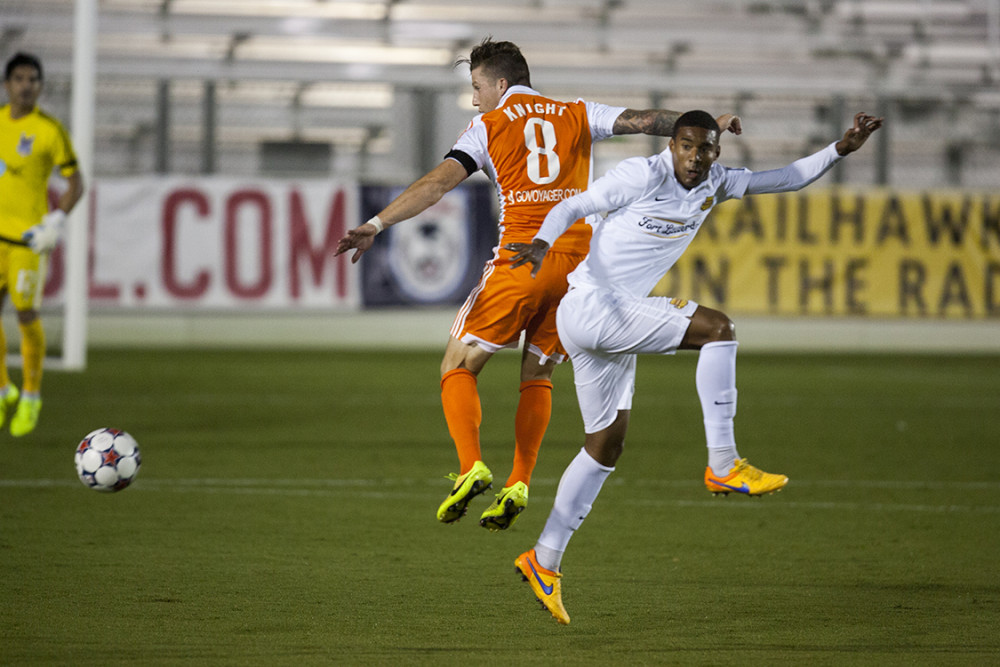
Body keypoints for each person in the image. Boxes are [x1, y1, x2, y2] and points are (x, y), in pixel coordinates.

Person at [336, 38, 740, 531]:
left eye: (477, 87)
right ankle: (520, 480)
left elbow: (438, 183)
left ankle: (471, 467)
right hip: (577, 270)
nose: (474, 98)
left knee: (458, 364)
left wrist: (376, 224)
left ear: (500, 85)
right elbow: (644, 120)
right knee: (539, 373)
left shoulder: (486, 126)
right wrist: (703, 129)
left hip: (524, 257)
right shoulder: (577, 111)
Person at [507, 110, 884, 624]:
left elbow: (790, 177)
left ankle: (543, 559)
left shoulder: (718, 183)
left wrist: (842, 147)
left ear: (716, 151)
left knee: (605, 445)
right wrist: (544, 242)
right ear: (673, 145)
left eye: (704, 148)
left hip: (607, 323)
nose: (694, 157)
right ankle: (724, 463)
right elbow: (574, 202)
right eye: (686, 146)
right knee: (718, 329)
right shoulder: (642, 175)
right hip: (595, 307)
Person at [0, 52, 84, 436]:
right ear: (7, 84)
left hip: (27, 242)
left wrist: (56, 219)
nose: (25, 85)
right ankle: (3, 389)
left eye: (32, 79)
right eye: (18, 78)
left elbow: (76, 183)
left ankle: (31, 396)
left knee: (24, 314)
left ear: (40, 86)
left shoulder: (49, 130)